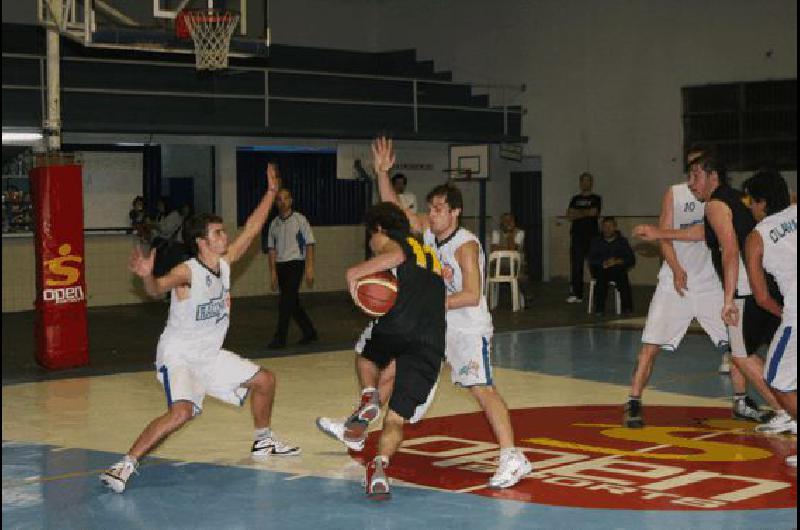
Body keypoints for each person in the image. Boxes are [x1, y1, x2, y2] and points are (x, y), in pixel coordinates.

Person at [318, 138, 532, 490]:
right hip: (434, 327)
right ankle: (355, 430)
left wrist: (431, 302)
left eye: (438, 209)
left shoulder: (465, 245)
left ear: (455, 212)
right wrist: (382, 174)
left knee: (481, 387)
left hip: (466, 328)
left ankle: (513, 456)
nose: (431, 214)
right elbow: (396, 213)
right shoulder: (430, 234)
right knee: (388, 375)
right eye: (430, 208)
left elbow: (471, 294)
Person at [99, 165, 299, 494]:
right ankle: (124, 464)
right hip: (180, 356)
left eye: (223, 232)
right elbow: (155, 289)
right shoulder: (187, 272)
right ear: (201, 242)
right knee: (182, 413)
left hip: (209, 355)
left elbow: (251, 230)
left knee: (265, 380)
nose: (226, 236)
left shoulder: (222, 263)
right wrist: (148, 275)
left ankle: (264, 442)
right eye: (218, 233)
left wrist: (271, 193)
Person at [634, 154, 789, 429]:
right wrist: (659, 233)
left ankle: (785, 411)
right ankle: (774, 408)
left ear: (713, 176)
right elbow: (701, 234)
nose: (691, 183)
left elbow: (729, 251)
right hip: (767, 283)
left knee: (742, 355)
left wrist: (727, 299)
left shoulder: (715, 204)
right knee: (764, 350)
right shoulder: (730, 199)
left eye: (696, 176)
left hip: (746, 287)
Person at [326, 200, 446, 499]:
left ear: (378, 229)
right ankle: (379, 467)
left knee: (366, 354)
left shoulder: (397, 244)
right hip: (432, 340)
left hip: (400, 325)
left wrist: (354, 276)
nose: (372, 243)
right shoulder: (429, 253)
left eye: (371, 237)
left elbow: (393, 255)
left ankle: (369, 395)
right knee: (395, 419)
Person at [624, 147, 733, 428]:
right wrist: (675, 269)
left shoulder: (719, 198)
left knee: (738, 346)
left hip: (709, 281)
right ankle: (634, 401)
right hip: (675, 281)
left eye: (699, 164)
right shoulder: (675, 193)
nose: (693, 168)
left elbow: (706, 235)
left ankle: (742, 399)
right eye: (691, 164)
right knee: (650, 346)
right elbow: (665, 235)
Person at [743, 171, 797, 458]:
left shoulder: (757, 237)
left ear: (762, 202)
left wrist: (786, 313)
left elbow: (762, 296)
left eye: (751, 201)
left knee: (777, 379)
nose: (750, 207)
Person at [266, 188, 318, 348]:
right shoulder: (273, 224)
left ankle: (280, 338)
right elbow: (271, 250)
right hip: (281, 265)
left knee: (285, 301)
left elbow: (309, 244)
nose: (283, 202)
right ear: (276, 203)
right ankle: (309, 331)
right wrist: (273, 273)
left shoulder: (300, 220)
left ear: (291, 201)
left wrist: (309, 268)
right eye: (279, 199)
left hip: (296, 263)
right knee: (292, 302)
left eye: (285, 199)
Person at [566, 172, 602, 303]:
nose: (586, 183)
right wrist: (585, 213)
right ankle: (576, 294)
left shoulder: (596, 198)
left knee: (594, 265)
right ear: (580, 183)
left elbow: (594, 213)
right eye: (583, 181)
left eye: (588, 181)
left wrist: (578, 212)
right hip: (577, 236)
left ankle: (598, 293)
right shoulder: (574, 199)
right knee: (576, 266)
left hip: (592, 237)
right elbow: (569, 215)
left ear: (591, 183)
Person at [588, 216, 635, 314]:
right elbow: (591, 258)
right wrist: (604, 262)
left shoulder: (622, 241)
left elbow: (631, 259)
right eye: (605, 226)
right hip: (601, 269)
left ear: (615, 227)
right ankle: (599, 309)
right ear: (602, 227)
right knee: (601, 279)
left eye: (610, 226)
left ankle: (627, 308)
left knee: (623, 278)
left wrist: (617, 261)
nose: (607, 229)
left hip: (617, 269)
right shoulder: (596, 241)